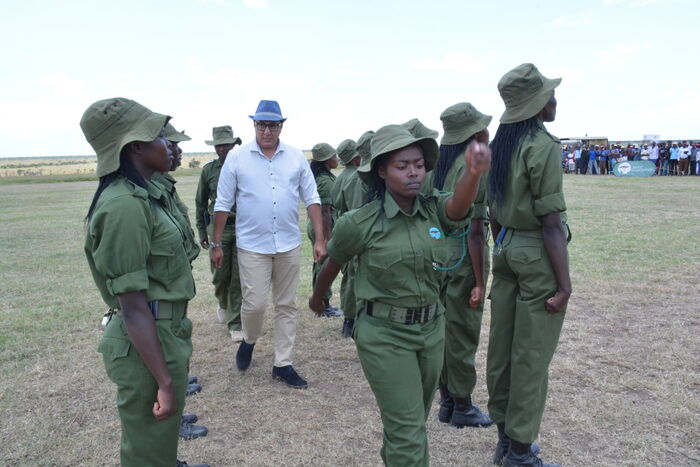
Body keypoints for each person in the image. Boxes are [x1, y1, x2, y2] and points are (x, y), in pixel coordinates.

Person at [309, 123, 491, 466]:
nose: (413, 173)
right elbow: (333, 262)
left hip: (431, 331)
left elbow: (457, 207)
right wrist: (318, 298)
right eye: (402, 166)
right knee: (408, 430)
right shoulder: (360, 222)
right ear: (381, 171)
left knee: (410, 424)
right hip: (385, 336)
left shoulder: (433, 208)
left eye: (419, 165)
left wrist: (472, 172)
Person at [81, 97, 207, 467]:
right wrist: (165, 383)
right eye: (158, 136)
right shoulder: (124, 205)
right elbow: (132, 305)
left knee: (158, 445)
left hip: (162, 331)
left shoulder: (142, 196)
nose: (168, 144)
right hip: (147, 337)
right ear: (135, 146)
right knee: (148, 452)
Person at [486, 64, 571, 467]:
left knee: (502, 349)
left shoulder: (500, 146)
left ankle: (505, 440)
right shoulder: (542, 145)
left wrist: (504, 245)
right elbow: (552, 223)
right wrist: (564, 285)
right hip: (536, 252)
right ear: (537, 103)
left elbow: (494, 213)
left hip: (504, 250)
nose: (554, 100)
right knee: (531, 355)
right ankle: (520, 452)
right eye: (549, 94)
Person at [211, 100, 325, 389]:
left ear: (281, 126)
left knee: (287, 305)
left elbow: (312, 198)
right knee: (256, 304)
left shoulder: (296, 157)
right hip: (252, 245)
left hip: (288, 244)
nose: (267, 131)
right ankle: (249, 339)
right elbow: (223, 202)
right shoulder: (237, 158)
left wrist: (320, 239)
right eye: (262, 125)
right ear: (254, 126)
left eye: (272, 125)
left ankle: (282, 363)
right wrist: (216, 243)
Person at [421, 102, 494, 429]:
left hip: (438, 259)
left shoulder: (436, 166)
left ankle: (448, 400)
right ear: (475, 133)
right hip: (465, 259)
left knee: (444, 332)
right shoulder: (472, 168)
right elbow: (475, 230)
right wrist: (479, 281)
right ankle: (462, 404)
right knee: (463, 334)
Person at [195, 126, 244, 341]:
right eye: (219, 145)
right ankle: (223, 303)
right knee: (220, 275)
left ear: (234, 145)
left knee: (239, 277)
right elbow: (200, 203)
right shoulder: (209, 171)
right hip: (218, 229)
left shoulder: (245, 167)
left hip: (243, 228)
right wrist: (202, 232)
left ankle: (235, 323)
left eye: (227, 144)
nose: (223, 149)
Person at [333, 130, 375, 337]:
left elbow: (337, 204)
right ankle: (355, 321)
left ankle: (349, 321)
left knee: (350, 279)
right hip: (366, 237)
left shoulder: (348, 178)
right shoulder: (367, 179)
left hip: (349, 234)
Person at [307, 142, 342, 317]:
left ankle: (323, 302)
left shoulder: (322, 177)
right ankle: (323, 305)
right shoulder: (324, 181)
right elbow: (325, 211)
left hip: (319, 226)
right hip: (322, 226)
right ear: (327, 161)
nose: (337, 159)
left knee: (320, 263)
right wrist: (327, 237)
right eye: (334, 156)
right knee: (323, 264)